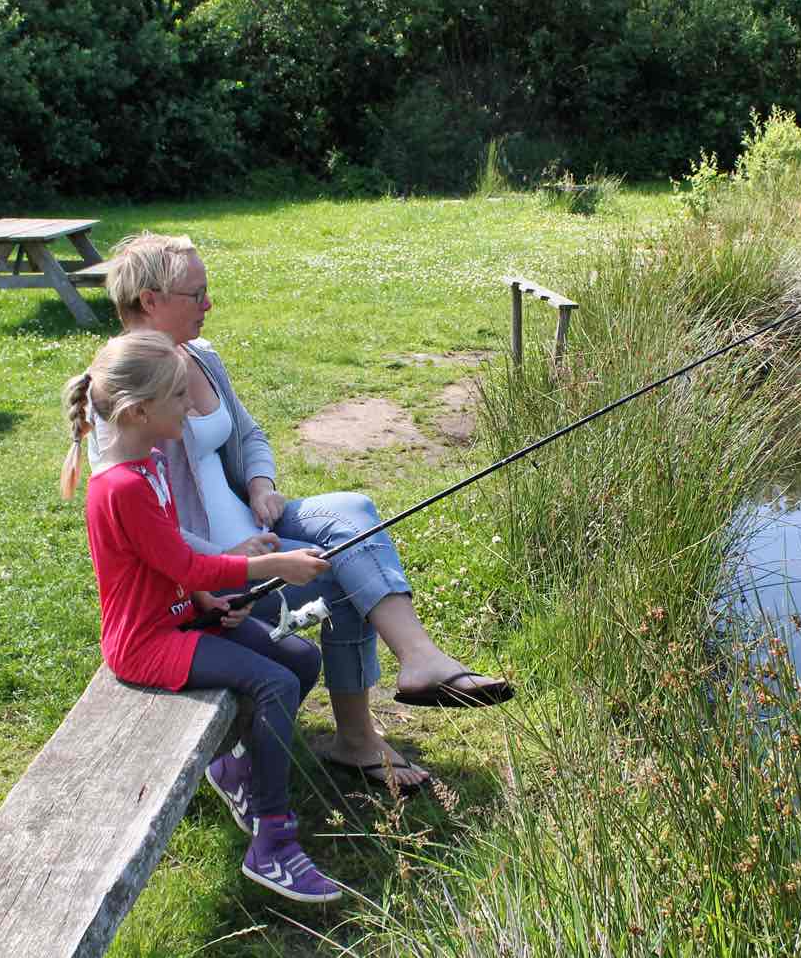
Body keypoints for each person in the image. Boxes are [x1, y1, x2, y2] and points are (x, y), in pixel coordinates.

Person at [92, 231, 512, 792]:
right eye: (196, 294)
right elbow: (148, 530)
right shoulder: (120, 390)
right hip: (216, 570)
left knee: (353, 509)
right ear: (151, 301)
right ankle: (357, 738)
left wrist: (261, 485)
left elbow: (249, 435)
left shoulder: (201, 357)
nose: (208, 304)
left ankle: (419, 658)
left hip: (256, 525)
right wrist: (234, 555)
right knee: (339, 574)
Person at [61, 330, 341, 902]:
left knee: (300, 658)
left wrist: (204, 599)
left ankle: (238, 770)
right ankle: (272, 840)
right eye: (177, 397)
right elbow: (186, 561)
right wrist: (275, 566)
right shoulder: (120, 488)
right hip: (146, 641)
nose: (189, 405)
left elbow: (168, 564)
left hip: (180, 615)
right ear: (139, 411)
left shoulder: (151, 464)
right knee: (275, 683)